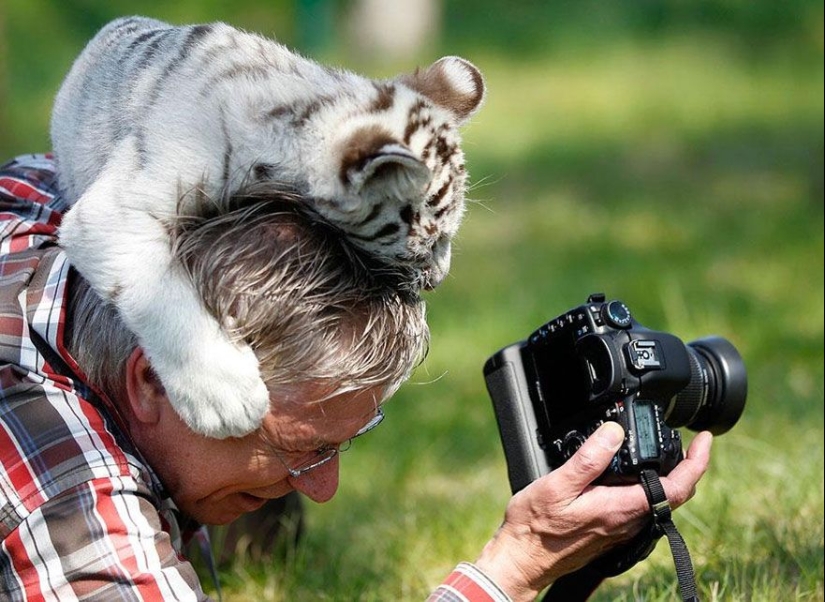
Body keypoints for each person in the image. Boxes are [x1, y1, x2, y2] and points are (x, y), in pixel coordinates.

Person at [0, 154, 712, 601]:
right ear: (154, 380)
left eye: (344, 442)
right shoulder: (62, 488)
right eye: (301, 448)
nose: (327, 488)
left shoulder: (87, 193)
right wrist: (510, 573)